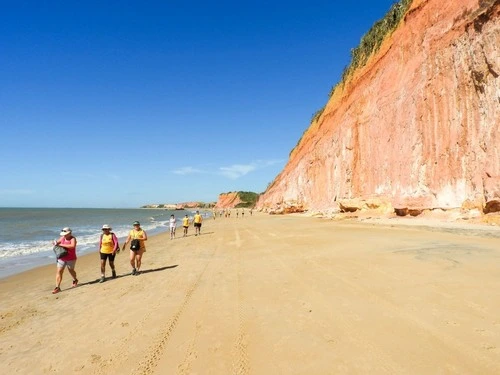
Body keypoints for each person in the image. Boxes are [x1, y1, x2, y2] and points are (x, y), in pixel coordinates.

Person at [52, 227, 78, 294]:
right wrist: (54, 242)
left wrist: (60, 244)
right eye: (63, 234)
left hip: (71, 258)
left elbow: (72, 246)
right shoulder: (62, 237)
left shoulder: (73, 239)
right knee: (59, 271)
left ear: (69, 233)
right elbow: (57, 242)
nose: (64, 235)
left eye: (65, 234)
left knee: (71, 270)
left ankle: (75, 280)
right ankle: (57, 287)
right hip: (62, 258)